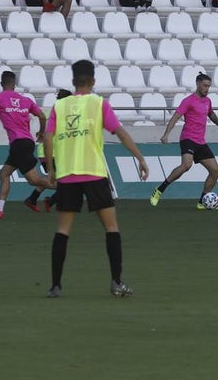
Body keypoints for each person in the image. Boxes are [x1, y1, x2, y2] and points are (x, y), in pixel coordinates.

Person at [44, 60, 150, 298]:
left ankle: (55, 286)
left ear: (73, 82)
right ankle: (116, 282)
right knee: (111, 228)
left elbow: (47, 138)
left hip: (68, 175)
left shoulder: (59, 107)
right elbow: (120, 133)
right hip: (94, 174)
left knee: (63, 231)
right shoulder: (99, 104)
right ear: (93, 81)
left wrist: (50, 169)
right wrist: (140, 158)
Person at [0, 70, 53, 221]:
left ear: (1, 84)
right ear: (14, 85)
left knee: (33, 180)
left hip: (19, 144)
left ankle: (70, 188)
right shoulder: (26, 100)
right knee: (4, 174)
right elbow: (41, 116)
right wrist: (40, 133)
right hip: (24, 143)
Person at [151, 72, 218, 209]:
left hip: (200, 141)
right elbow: (176, 117)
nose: (207, 89)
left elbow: (211, 114)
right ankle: (159, 190)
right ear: (198, 84)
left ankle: (202, 202)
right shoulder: (188, 101)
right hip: (188, 138)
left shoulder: (207, 101)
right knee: (186, 165)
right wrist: (166, 134)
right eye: (205, 85)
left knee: (215, 171)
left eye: (209, 86)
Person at [25, 88, 71, 213]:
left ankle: (33, 199)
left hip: (47, 152)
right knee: (67, 183)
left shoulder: (58, 111)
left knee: (56, 179)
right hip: (52, 153)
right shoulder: (62, 113)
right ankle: (51, 200)